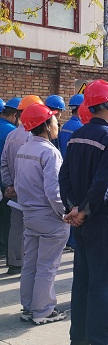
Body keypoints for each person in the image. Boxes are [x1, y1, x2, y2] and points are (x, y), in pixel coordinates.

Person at [58, 79, 108, 345]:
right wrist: (84, 210)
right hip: (103, 219)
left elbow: (64, 177)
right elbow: (105, 182)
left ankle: (79, 336)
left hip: (82, 219)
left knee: (83, 278)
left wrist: (73, 208)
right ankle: (100, 342)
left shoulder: (77, 136)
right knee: (103, 280)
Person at [15, 103, 70, 324]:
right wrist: (64, 213)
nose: (57, 123)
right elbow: (54, 191)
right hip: (49, 216)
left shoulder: (24, 149)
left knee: (31, 263)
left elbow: (19, 184)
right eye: (54, 120)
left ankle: (29, 307)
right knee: (47, 265)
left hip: (29, 213)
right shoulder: (50, 152)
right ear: (46, 125)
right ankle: (43, 310)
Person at [1, 95, 44, 275]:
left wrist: (9, 185)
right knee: (30, 228)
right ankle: (26, 263)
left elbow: (4, 163)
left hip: (15, 190)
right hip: (30, 190)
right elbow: (28, 167)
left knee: (16, 225)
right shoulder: (32, 136)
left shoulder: (12, 135)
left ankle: (14, 262)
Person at [58, 94, 85, 252]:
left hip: (65, 169)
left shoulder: (65, 126)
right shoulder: (80, 128)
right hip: (76, 171)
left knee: (69, 205)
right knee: (77, 205)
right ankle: (74, 242)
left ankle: (69, 240)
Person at [0, 97, 20, 263]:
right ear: (15, 115)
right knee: (8, 220)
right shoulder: (12, 132)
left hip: (5, 182)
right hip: (8, 185)